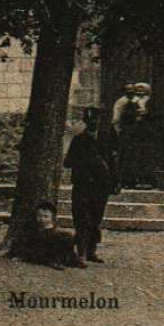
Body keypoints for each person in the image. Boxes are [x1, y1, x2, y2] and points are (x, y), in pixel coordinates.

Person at [63, 108, 114, 264]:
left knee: (96, 218)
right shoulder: (79, 140)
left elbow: (113, 162)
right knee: (82, 218)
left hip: (100, 186)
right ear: (85, 122)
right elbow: (68, 163)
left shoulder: (106, 140)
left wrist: (114, 182)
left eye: (96, 120)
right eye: (90, 120)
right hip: (83, 185)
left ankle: (92, 251)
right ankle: (82, 252)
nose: (93, 123)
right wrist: (87, 163)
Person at [15, 201, 86, 270]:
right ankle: (54, 262)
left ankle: (72, 260)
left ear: (52, 218)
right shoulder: (34, 229)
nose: (42, 219)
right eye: (39, 216)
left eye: (46, 217)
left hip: (54, 249)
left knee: (66, 237)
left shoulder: (54, 229)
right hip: (42, 251)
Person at [110, 82, 154, 189]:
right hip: (127, 134)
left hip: (140, 135)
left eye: (141, 90)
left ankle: (140, 180)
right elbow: (118, 119)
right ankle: (125, 181)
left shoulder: (144, 102)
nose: (138, 92)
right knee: (126, 157)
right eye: (136, 90)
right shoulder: (124, 103)